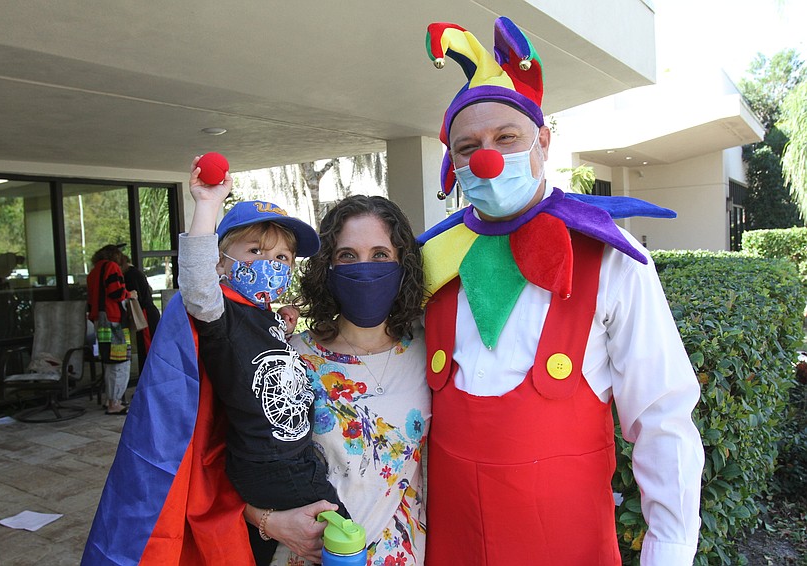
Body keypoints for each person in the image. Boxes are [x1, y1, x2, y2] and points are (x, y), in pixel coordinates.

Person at [418, 17, 704, 565]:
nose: (487, 157)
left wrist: (668, 551)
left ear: (543, 141)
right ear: (453, 165)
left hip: (566, 544)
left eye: (506, 138)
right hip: (448, 543)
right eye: (468, 145)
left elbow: (663, 416)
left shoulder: (610, 255)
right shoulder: (431, 261)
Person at [179, 156, 349, 566]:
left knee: (259, 551)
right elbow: (198, 283)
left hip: (287, 457)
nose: (270, 265)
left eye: (282, 259)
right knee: (343, 536)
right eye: (255, 251)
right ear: (222, 262)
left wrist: (282, 328)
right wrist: (207, 203)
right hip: (273, 462)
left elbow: (255, 358)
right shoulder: (220, 313)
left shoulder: (259, 314)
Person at [244, 194, 430, 566]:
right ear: (326, 267)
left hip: (405, 555)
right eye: (347, 255)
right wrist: (270, 521)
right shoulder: (289, 356)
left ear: (402, 264)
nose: (364, 268)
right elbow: (238, 461)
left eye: (380, 254)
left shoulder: (430, 349)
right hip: (309, 556)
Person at [86, 244, 135, 415]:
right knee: (121, 361)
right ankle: (115, 402)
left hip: (100, 321)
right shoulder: (112, 267)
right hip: (114, 320)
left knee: (108, 361)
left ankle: (110, 399)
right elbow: (116, 293)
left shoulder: (93, 272)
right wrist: (130, 294)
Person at [120, 252, 162, 371]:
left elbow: (135, 296)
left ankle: (149, 374)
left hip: (144, 313)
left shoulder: (131, 275)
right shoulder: (136, 273)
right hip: (148, 311)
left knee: (147, 346)